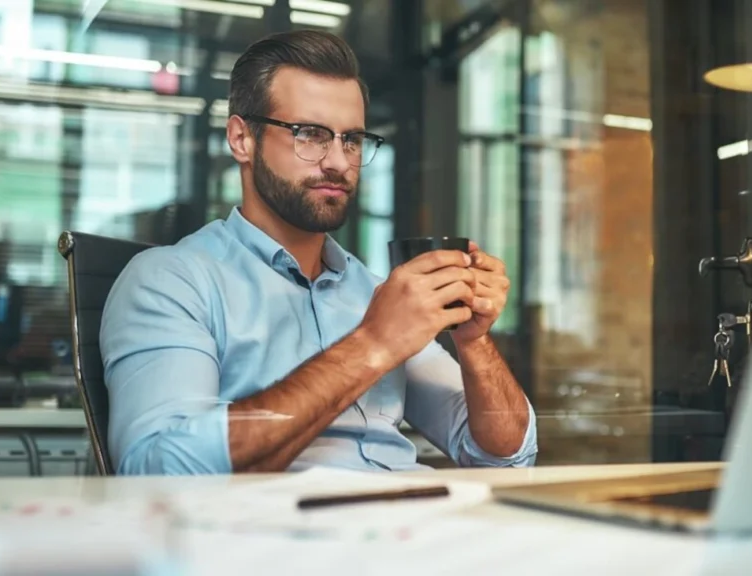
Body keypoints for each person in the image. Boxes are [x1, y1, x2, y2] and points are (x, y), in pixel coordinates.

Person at [100, 30, 537, 475]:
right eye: (309, 134)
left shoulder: (376, 292)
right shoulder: (171, 280)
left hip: (412, 525)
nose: (339, 161)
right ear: (241, 139)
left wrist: (473, 340)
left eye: (351, 139)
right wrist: (372, 344)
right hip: (282, 535)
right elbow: (158, 469)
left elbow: (503, 455)